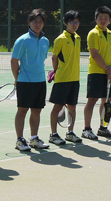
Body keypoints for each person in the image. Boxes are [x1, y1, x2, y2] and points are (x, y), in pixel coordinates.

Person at [11, 9, 51, 152]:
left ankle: (34, 138)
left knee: (37, 111)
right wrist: (17, 79)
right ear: (29, 23)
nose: (38, 24)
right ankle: (20, 140)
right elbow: (14, 61)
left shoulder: (46, 41)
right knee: (22, 111)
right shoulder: (22, 40)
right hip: (25, 82)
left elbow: (42, 59)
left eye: (40, 22)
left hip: (40, 81)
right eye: (35, 22)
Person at [82, 6, 111, 140]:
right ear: (96, 19)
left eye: (106, 18)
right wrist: (106, 68)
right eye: (100, 18)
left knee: (107, 102)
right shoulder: (93, 33)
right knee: (92, 100)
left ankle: (103, 128)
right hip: (96, 73)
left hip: (110, 73)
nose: (103, 20)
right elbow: (95, 53)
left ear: (110, 20)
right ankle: (86, 129)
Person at [47, 10, 83, 145]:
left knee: (72, 107)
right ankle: (53, 134)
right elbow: (54, 57)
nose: (75, 25)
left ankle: (70, 132)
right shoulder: (60, 39)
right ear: (66, 23)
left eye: (77, 22)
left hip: (75, 79)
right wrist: (55, 71)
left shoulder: (78, 38)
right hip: (62, 79)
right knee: (57, 107)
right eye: (72, 22)